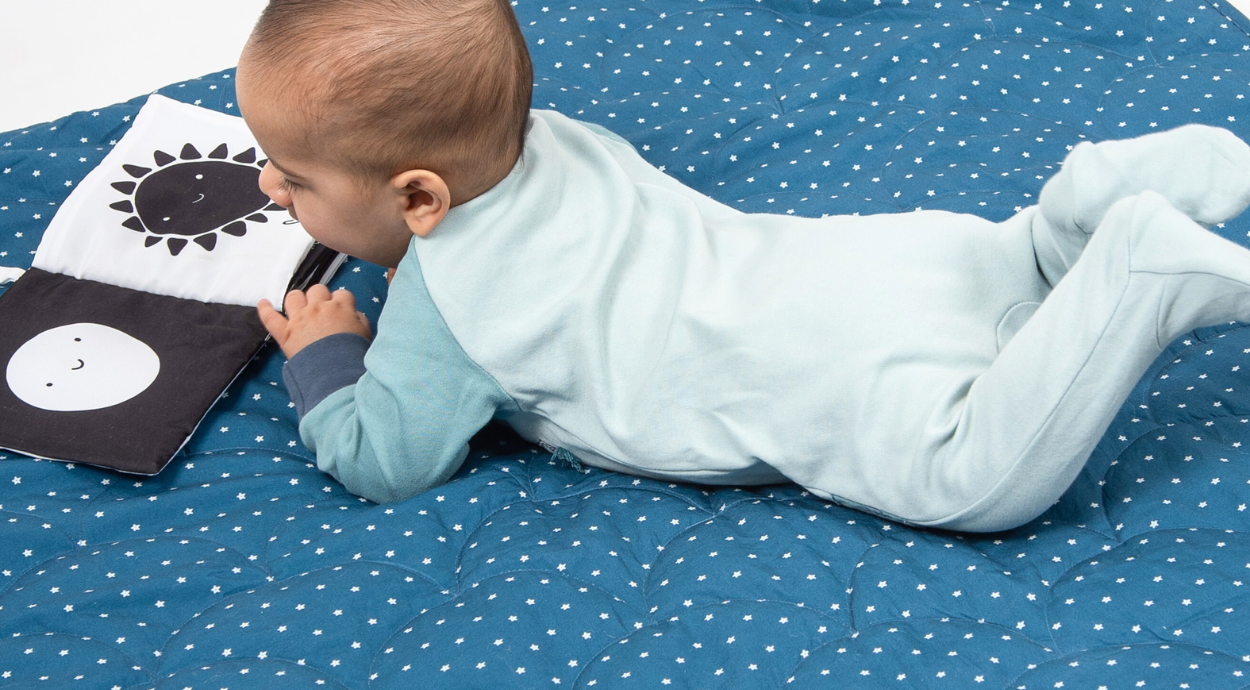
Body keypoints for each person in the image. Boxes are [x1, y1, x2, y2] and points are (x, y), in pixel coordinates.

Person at [235, 0, 1250, 531]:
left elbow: (387, 463)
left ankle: (1137, 275)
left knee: (970, 482)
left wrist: (330, 359)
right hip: (883, 259)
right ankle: (1069, 218)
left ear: (420, 198)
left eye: (293, 177)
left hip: (834, 379)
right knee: (1013, 264)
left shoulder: (446, 307)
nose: (275, 194)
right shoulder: (546, 134)